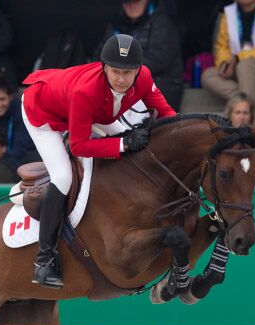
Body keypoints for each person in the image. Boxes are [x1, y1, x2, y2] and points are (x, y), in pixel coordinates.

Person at [21, 34, 176, 289]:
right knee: (63, 176)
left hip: (92, 109)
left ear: (138, 70)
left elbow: (168, 114)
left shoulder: (144, 78)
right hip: (42, 112)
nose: (121, 79)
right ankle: (44, 259)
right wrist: (124, 144)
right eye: (115, 71)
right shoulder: (86, 91)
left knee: (134, 135)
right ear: (104, 67)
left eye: (128, 73)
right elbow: (79, 145)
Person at [95, 0, 184, 109]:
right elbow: (100, 55)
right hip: (123, 85)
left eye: (136, 1)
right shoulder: (116, 22)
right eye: (127, 2)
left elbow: (158, 61)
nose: (132, 5)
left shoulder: (162, 22)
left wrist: (120, 65)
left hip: (161, 87)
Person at [201, 0, 255, 114]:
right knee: (208, 75)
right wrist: (225, 63)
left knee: (245, 65)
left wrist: (239, 58)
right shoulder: (229, 13)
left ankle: (252, 120)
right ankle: (248, 100)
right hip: (237, 65)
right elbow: (222, 46)